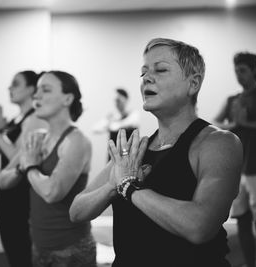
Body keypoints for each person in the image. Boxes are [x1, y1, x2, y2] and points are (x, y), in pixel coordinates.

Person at [70, 38, 243, 267]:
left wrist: (129, 188)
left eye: (160, 69)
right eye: (143, 73)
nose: (147, 79)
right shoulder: (134, 153)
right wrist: (112, 186)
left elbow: (199, 226)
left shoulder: (218, 143)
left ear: (193, 83)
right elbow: (76, 211)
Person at [0, 71, 97, 267]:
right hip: (39, 245)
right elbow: (3, 180)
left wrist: (30, 167)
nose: (36, 96)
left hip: (71, 249)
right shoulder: (38, 138)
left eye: (46, 90)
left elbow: (52, 192)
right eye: (37, 91)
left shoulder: (77, 140)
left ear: (67, 98)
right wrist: (21, 168)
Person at [0, 70, 47, 267]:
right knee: (12, 251)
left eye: (15, 84)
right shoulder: (14, 120)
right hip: (7, 192)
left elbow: (21, 159)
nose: (9, 88)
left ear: (31, 89)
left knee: (21, 253)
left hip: (21, 195)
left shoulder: (35, 119)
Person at [214, 52, 256, 267]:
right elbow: (216, 122)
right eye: (236, 71)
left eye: (243, 70)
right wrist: (235, 124)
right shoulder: (233, 99)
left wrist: (246, 123)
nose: (239, 75)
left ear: (254, 70)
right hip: (238, 170)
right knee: (243, 221)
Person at [92, 88, 141, 161]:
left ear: (126, 99)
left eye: (119, 100)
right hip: (113, 156)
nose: (117, 103)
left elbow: (126, 124)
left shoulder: (134, 114)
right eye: (115, 100)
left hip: (129, 156)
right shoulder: (112, 116)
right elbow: (95, 129)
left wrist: (111, 124)